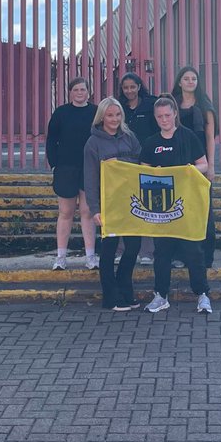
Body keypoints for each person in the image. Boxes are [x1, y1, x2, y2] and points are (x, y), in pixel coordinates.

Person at [139, 94, 213, 314]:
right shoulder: (151, 143)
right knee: (162, 252)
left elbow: (204, 166)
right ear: (155, 117)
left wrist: (188, 169)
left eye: (167, 115)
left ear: (175, 115)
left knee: (193, 251)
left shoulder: (188, 137)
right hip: (162, 208)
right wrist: (156, 173)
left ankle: (202, 295)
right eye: (160, 116)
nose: (164, 120)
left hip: (187, 204)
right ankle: (161, 295)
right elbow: (143, 172)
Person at [84, 98, 142, 311]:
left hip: (131, 202)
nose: (114, 119)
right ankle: (111, 296)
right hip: (108, 204)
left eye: (117, 115)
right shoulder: (93, 143)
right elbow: (90, 178)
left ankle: (125, 288)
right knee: (108, 250)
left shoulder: (130, 138)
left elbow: (140, 166)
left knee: (133, 246)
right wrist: (95, 209)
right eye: (110, 115)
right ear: (102, 117)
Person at [45, 77, 98, 270]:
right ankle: (60, 257)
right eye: (76, 89)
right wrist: (54, 164)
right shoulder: (61, 113)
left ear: (88, 92)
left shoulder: (95, 112)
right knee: (65, 212)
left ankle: (90, 257)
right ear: (70, 92)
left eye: (83, 89)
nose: (79, 93)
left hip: (89, 168)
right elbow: (52, 139)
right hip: (66, 168)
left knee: (87, 212)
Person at [171, 66, 218, 269]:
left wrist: (211, 167)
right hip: (176, 164)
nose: (190, 82)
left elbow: (210, 137)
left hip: (200, 163)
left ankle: (205, 256)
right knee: (178, 209)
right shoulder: (172, 105)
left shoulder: (205, 106)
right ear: (179, 82)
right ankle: (179, 255)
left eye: (194, 79)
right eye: (186, 78)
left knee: (202, 210)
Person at [116, 71, 158, 266]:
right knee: (124, 205)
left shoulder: (151, 105)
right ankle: (121, 249)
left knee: (146, 206)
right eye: (126, 87)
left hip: (147, 161)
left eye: (133, 86)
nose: (129, 90)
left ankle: (147, 251)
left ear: (139, 86)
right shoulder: (118, 107)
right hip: (124, 163)